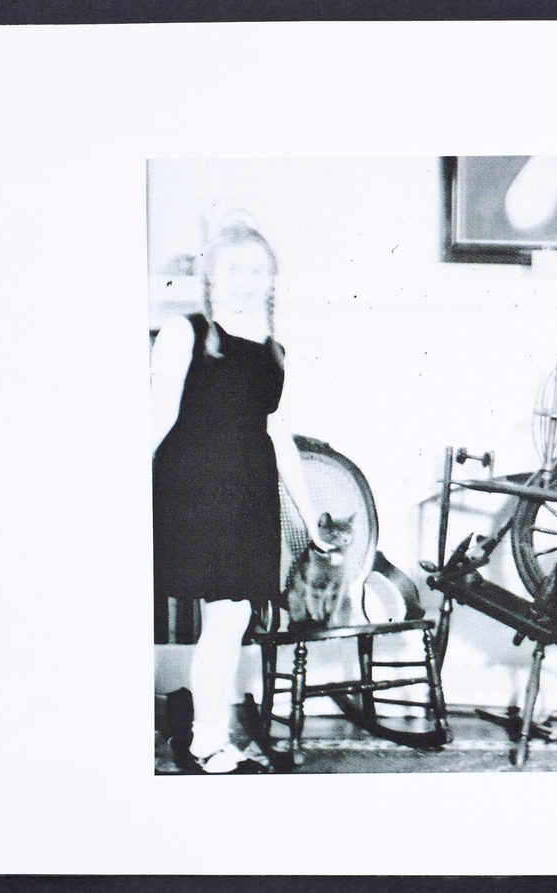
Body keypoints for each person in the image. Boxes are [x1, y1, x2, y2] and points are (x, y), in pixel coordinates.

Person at [150, 217, 327, 774]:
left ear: (271, 279)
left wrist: (310, 519)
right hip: (196, 493)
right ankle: (206, 742)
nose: (245, 281)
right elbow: (156, 418)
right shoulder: (185, 332)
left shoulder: (275, 353)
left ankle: (205, 737)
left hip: (249, 496)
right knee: (227, 618)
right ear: (211, 275)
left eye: (256, 271)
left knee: (233, 619)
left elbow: (281, 438)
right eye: (233, 270)